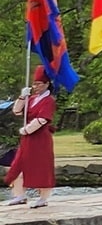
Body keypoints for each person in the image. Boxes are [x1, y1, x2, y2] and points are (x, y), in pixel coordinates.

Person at [6, 66, 56, 208]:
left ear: (46, 84)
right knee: (18, 164)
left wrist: (27, 129)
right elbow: (17, 111)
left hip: (40, 138)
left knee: (41, 166)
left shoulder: (49, 101)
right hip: (27, 139)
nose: (36, 87)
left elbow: (43, 119)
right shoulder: (32, 99)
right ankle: (19, 194)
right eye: (34, 84)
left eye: (39, 84)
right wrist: (22, 97)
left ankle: (43, 197)